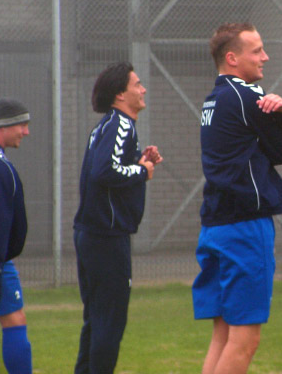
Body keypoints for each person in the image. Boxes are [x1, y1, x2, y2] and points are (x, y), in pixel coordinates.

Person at [193, 22, 282, 374]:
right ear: (232, 58)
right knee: (245, 339)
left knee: (222, 334)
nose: (265, 57)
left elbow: (273, 145)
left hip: (215, 225)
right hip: (244, 228)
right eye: (256, 51)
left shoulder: (214, 98)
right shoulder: (246, 95)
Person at [73, 61, 162, 374]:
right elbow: (104, 171)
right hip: (106, 238)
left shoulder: (111, 125)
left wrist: (139, 161)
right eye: (137, 84)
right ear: (120, 94)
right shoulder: (120, 124)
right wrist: (142, 170)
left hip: (92, 234)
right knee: (110, 320)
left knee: (96, 317)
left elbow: (108, 168)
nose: (143, 89)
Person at [0, 98, 33, 374]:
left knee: (9, 320)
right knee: (11, 321)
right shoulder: (3, 168)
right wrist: (1, 255)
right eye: (22, 125)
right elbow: (18, 232)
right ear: (5, 125)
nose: (26, 132)